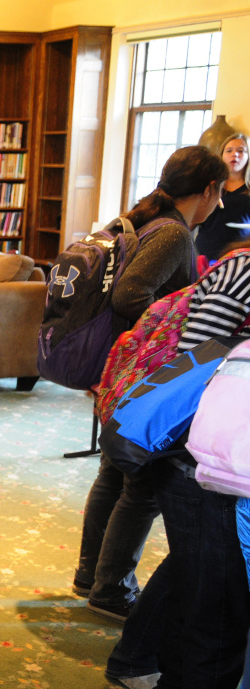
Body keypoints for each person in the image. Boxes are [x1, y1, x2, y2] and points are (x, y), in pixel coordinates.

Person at [74, 145, 228, 624]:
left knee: (114, 475)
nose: (221, 204)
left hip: (123, 370)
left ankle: (91, 576)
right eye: (219, 192)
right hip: (146, 373)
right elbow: (130, 292)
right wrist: (163, 328)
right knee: (139, 486)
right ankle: (111, 589)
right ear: (206, 190)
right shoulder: (174, 236)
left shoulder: (148, 221)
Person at [106, 237, 250, 689]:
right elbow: (199, 355)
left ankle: (134, 657)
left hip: (216, 457)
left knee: (199, 574)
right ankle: (134, 654)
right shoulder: (241, 270)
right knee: (216, 619)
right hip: (203, 457)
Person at [194, 133, 250, 262]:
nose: (234, 154)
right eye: (229, 151)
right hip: (204, 256)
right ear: (222, 156)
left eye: (240, 151)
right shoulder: (211, 185)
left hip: (239, 259)